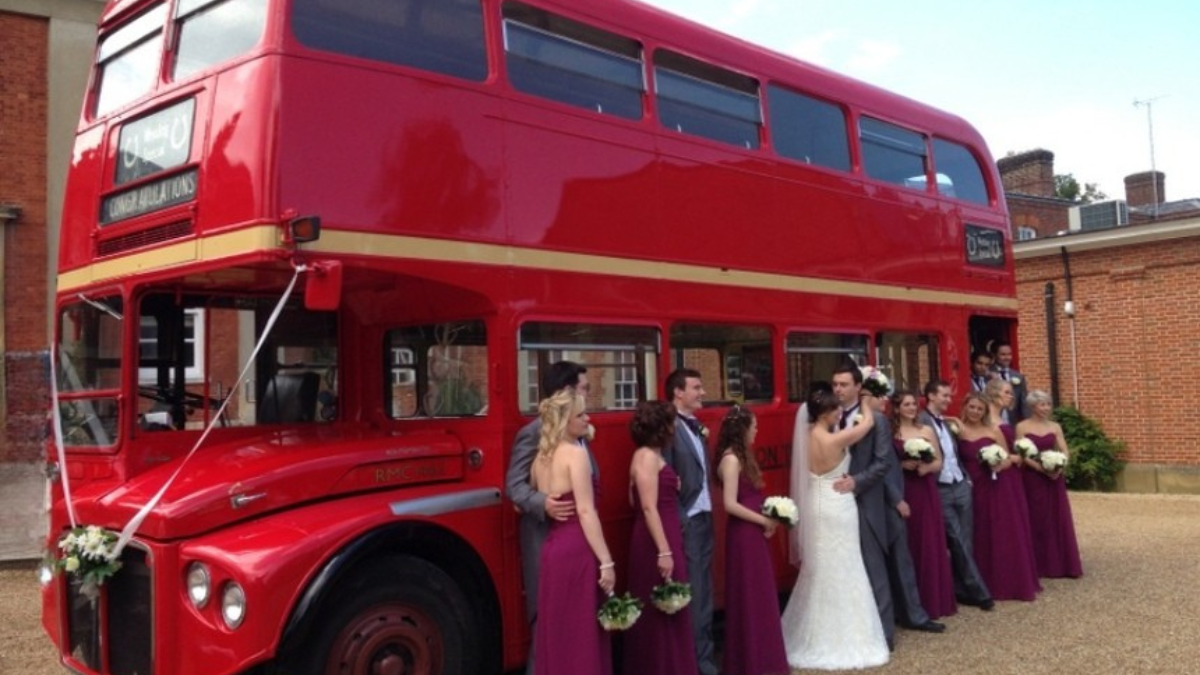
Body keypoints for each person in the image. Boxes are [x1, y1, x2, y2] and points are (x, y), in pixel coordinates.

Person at [781, 386, 890, 670]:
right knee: (847, 565)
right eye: (836, 410)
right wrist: (866, 402)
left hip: (815, 506)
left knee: (819, 568)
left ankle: (811, 634)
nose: (840, 413)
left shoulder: (804, 436)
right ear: (826, 413)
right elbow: (866, 424)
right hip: (838, 504)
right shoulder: (835, 440)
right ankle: (848, 636)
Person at [505, 361, 591, 673]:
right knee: (545, 619)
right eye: (583, 388)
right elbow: (514, 485)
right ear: (566, 391)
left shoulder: (580, 432)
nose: (588, 395)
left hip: (576, 542)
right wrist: (544, 503)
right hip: (544, 536)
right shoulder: (532, 433)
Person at [530, 390, 614, 675]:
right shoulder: (576, 455)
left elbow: (531, 501)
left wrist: (548, 505)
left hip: (553, 550)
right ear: (565, 420)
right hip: (578, 548)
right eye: (580, 415)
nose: (587, 419)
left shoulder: (541, 458)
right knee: (581, 632)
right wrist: (606, 561)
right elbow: (586, 511)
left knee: (559, 632)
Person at [624, 401, 698, 675]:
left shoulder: (652, 455)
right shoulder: (645, 456)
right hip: (656, 540)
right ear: (661, 427)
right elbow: (645, 505)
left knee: (672, 604)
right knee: (660, 606)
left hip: (665, 533)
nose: (675, 426)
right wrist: (664, 551)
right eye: (671, 421)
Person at [715, 406, 789, 675]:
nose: (757, 430)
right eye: (754, 426)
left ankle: (765, 659)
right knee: (749, 595)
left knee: (761, 594)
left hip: (754, 532)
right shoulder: (731, 459)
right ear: (742, 429)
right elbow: (730, 504)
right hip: (743, 535)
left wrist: (769, 518)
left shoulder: (743, 456)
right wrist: (762, 521)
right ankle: (750, 662)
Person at [828, 363, 896, 650]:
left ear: (858, 387)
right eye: (835, 385)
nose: (838, 390)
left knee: (873, 566)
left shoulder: (876, 420)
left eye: (844, 385)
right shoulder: (827, 419)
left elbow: (883, 463)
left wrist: (856, 482)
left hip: (865, 499)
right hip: (834, 502)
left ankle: (884, 634)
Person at [957, 392, 1040, 602]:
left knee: (994, 531)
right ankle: (972, 582)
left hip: (992, 485)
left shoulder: (993, 430)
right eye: (972, 407)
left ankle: (999, 582)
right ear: (965, 407)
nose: (975, 412)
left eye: (980, 409)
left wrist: (996, 463)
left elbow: (1007, 459)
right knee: (972, 532)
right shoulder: (957, 430)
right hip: (968, 485)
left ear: (985, 412)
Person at [919, 380, 993, 611]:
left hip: (959, 484)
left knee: (966, 539)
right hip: (940, 488)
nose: (948, 400)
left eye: (949, 397)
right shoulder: (922, 421)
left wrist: (965, 476)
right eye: (944, 396)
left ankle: (960, 589)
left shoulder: (947, 423)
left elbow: (953, 452)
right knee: (957, 540)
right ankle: (981, 593)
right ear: (931, 396)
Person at [661, 368, 717, 675]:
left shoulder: (695, 427)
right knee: (695, 596)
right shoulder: (669, 429)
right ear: (678, 392)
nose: (702, 392)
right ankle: (700, 665)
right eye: (696, 387)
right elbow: (666, 479)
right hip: (689, 521)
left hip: (704, 516)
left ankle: (703, 657)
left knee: (705, 592)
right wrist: (681, 520)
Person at [891, 389, 957, 620]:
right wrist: (901, 466)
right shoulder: (892, 431)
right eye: (906, 404)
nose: (911, 408)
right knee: (907, 541)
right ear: (897, 408)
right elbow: (887, 462)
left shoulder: (926, 430)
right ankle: (907, 602)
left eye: (913, 404)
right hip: (903, 488)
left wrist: (925, 467)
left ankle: (932, 599)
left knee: (928, 539)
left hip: (925, 488)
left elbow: (939, 461)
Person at [1016, 390, 1084, 579]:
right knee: (1037, 516)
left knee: (1057, 516)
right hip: (1032, 476)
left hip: (1054, 477)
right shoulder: (1022, 427)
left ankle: (1062, 563)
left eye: (1048, 404)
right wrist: (1040, 468)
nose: (1046, 408)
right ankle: (1038, 564)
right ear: (1032, 406)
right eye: (1042, 404)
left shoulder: (1055, 426)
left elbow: (1064, 450)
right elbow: (1022, 452)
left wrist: (1059, 466)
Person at [990, 342, 1028, 423]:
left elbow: (1024, 403)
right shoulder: (988, 374)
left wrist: (1027, 423)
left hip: (1012, 422)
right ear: (994, 355)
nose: (1007, 357)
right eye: (1003, 354)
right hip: (992, 422)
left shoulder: (1018, 376)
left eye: (1009, 354)